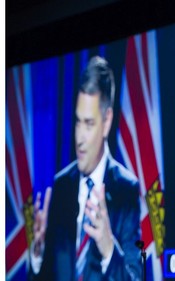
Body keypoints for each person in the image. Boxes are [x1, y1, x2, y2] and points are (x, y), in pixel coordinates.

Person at [30, 56, 142, 281]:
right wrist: (38, 254)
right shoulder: (62, 186)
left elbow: (136, 277)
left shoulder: (126, 190)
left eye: (89, 124)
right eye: (78, 122)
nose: (79, 138)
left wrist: (108, 246)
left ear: (107, 121)